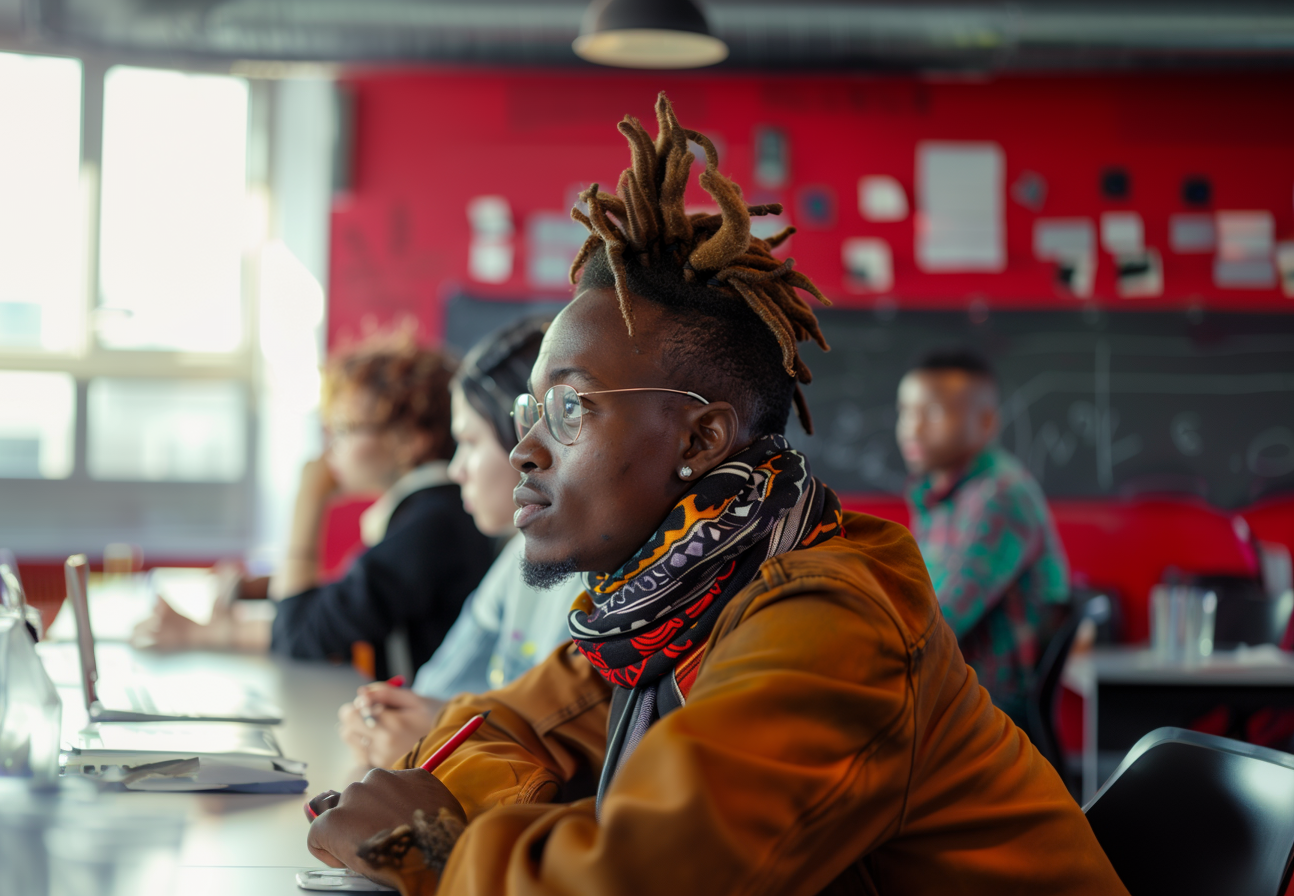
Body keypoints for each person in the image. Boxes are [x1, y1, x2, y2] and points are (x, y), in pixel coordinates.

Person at [305, 94, 1126, 895]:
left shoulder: (832, 622)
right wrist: (435, 795)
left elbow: (644, 876)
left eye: (567, 409)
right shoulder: (674, 603)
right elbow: (524, 727)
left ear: (700, 440)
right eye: (529, 411)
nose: (524, 447)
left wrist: (431, 842)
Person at [132, 334, 495, 681]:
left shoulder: (434, 523)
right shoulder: (429, 511)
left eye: (344, 429)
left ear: (411, 441)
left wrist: (308, 498)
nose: (330, 445)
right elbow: (340, 606)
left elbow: (301, 632)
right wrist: (246, 604)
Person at [337, 317, 583, 770]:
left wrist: (439, 732)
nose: (456, 470)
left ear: (529, 443)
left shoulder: (595, 586)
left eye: (469, 443)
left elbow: (557, 767)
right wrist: (396, 717)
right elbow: (432, 692)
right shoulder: (518, 558)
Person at [895, 349, 1071, 726]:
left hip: (991, 709)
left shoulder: (1000, 496)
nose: (912, 428)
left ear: (987, 421)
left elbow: (935, 624)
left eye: (933, 412)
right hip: (946, 692)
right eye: (906, 412)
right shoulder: (936, 495)